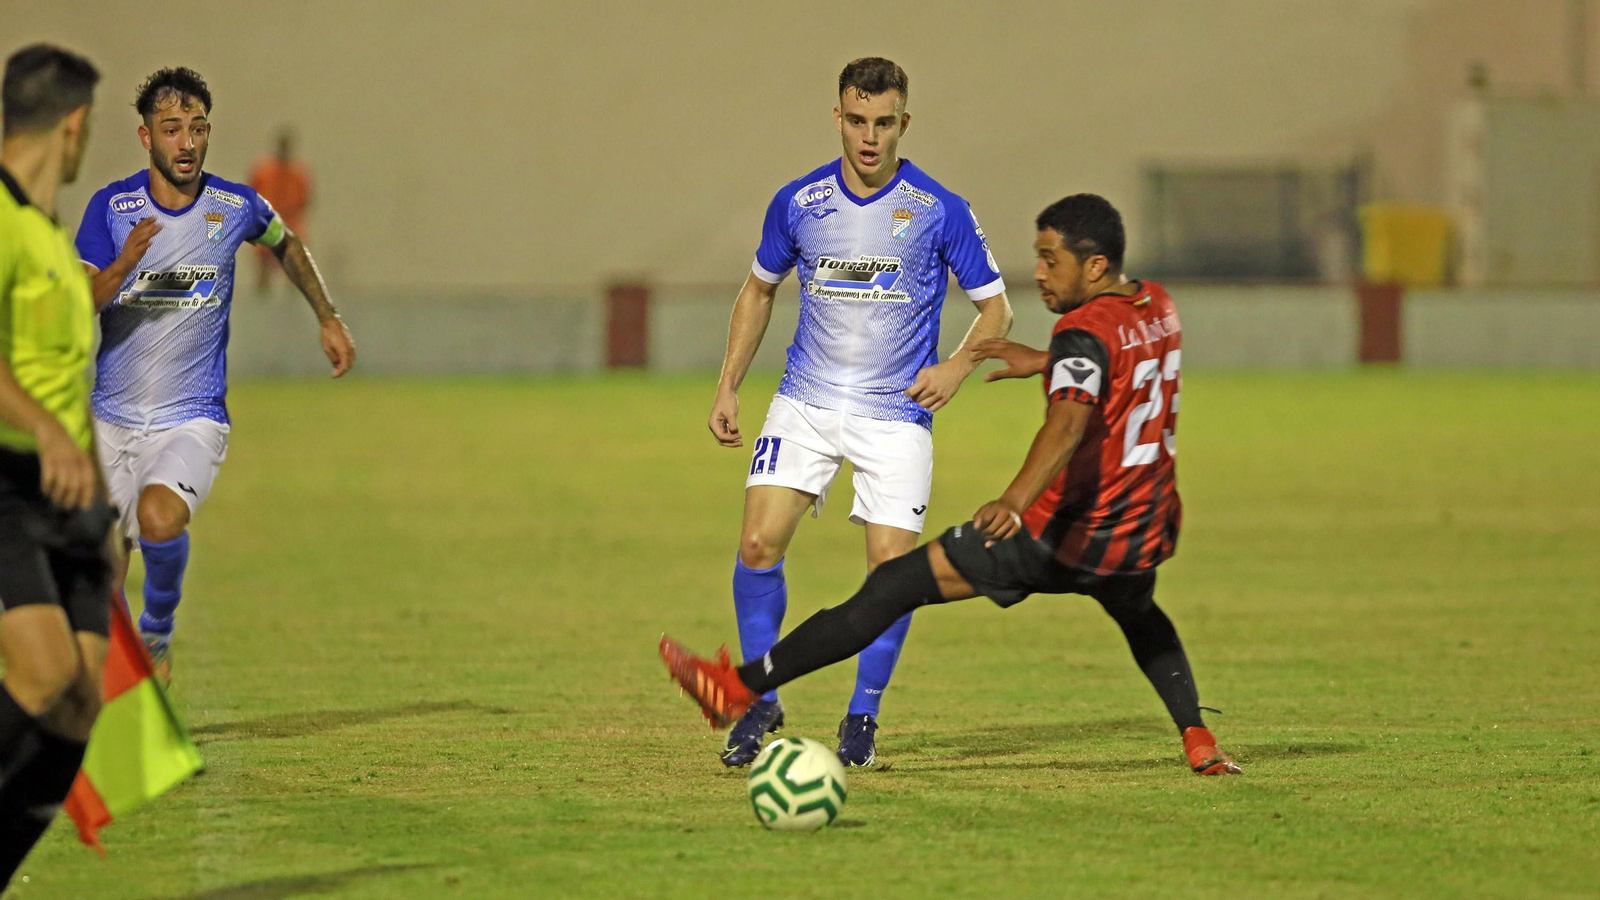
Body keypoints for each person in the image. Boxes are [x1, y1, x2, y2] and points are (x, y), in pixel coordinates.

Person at [663, 194, 1241, 776]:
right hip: (1138, 530)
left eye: (1050, 259)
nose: (1038, 272)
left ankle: (739, 688)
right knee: (1139, 610)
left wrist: (1014, 501)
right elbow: (1125, 363)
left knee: (890, 587)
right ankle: (1198, 737)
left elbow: (1067, 427)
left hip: (1058, 534)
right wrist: (1046, 360)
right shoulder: (1156, 304)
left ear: (1093, 267)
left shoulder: (1081, 332)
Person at [708, 57, 1012, 767]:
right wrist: (728, 386)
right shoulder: (799, 202)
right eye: (856, 120)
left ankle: (862, 717)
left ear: (904, 123)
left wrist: (958, 365)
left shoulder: (939, 208)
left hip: (895, 415)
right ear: (837, 116)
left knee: (889, 577)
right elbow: (759, 290)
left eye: (883, 123)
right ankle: (762, 701)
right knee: (757, 546)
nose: (869, 136)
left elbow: (994, 305)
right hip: (806, 403)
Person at [76, 67, 356, 682]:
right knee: (103, 577)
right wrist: (126, 262)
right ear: (146, 137)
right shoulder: (112, 208)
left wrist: (327, 317)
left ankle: (157, 632)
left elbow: (285, 241)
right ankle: (127, 695)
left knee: (158, 518)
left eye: (197, 129)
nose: (187, 142)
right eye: (171, 129)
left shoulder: (234, 205)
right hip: (110, 420)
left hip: (191, 418)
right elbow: (86, 299)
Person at [0, 44, 119, 887]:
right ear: (73, 125)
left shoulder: (46, 237)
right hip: (6, 481)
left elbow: (67, 384)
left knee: (79, 705)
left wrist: (104, 514)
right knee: (42, 679)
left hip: (67, 495)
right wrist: (45, 433)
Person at [248, 127, 311, 292]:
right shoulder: (263, 170)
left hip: (290, 226)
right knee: (264, 273)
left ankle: (290, 311)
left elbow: (306, 199)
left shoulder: (298, 172)